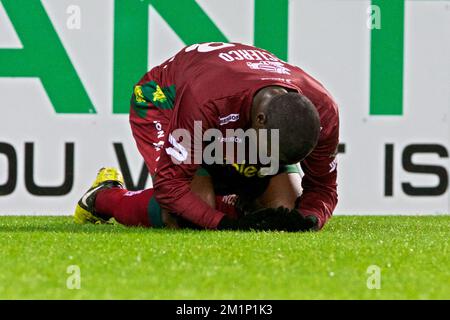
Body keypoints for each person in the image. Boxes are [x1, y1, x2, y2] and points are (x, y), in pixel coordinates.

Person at [74, 42, 339, 232]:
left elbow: (324, 188)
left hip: (231, 108)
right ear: (259, 122)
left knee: (285, 209)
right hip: (164, 101)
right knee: (186, 214)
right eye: (270, 154)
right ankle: (103, 196)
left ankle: (234, 203)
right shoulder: (208, 100)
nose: (264, 164)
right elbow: (171, 186)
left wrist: (310, 218)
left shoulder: (324, 109)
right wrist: (225, 224)